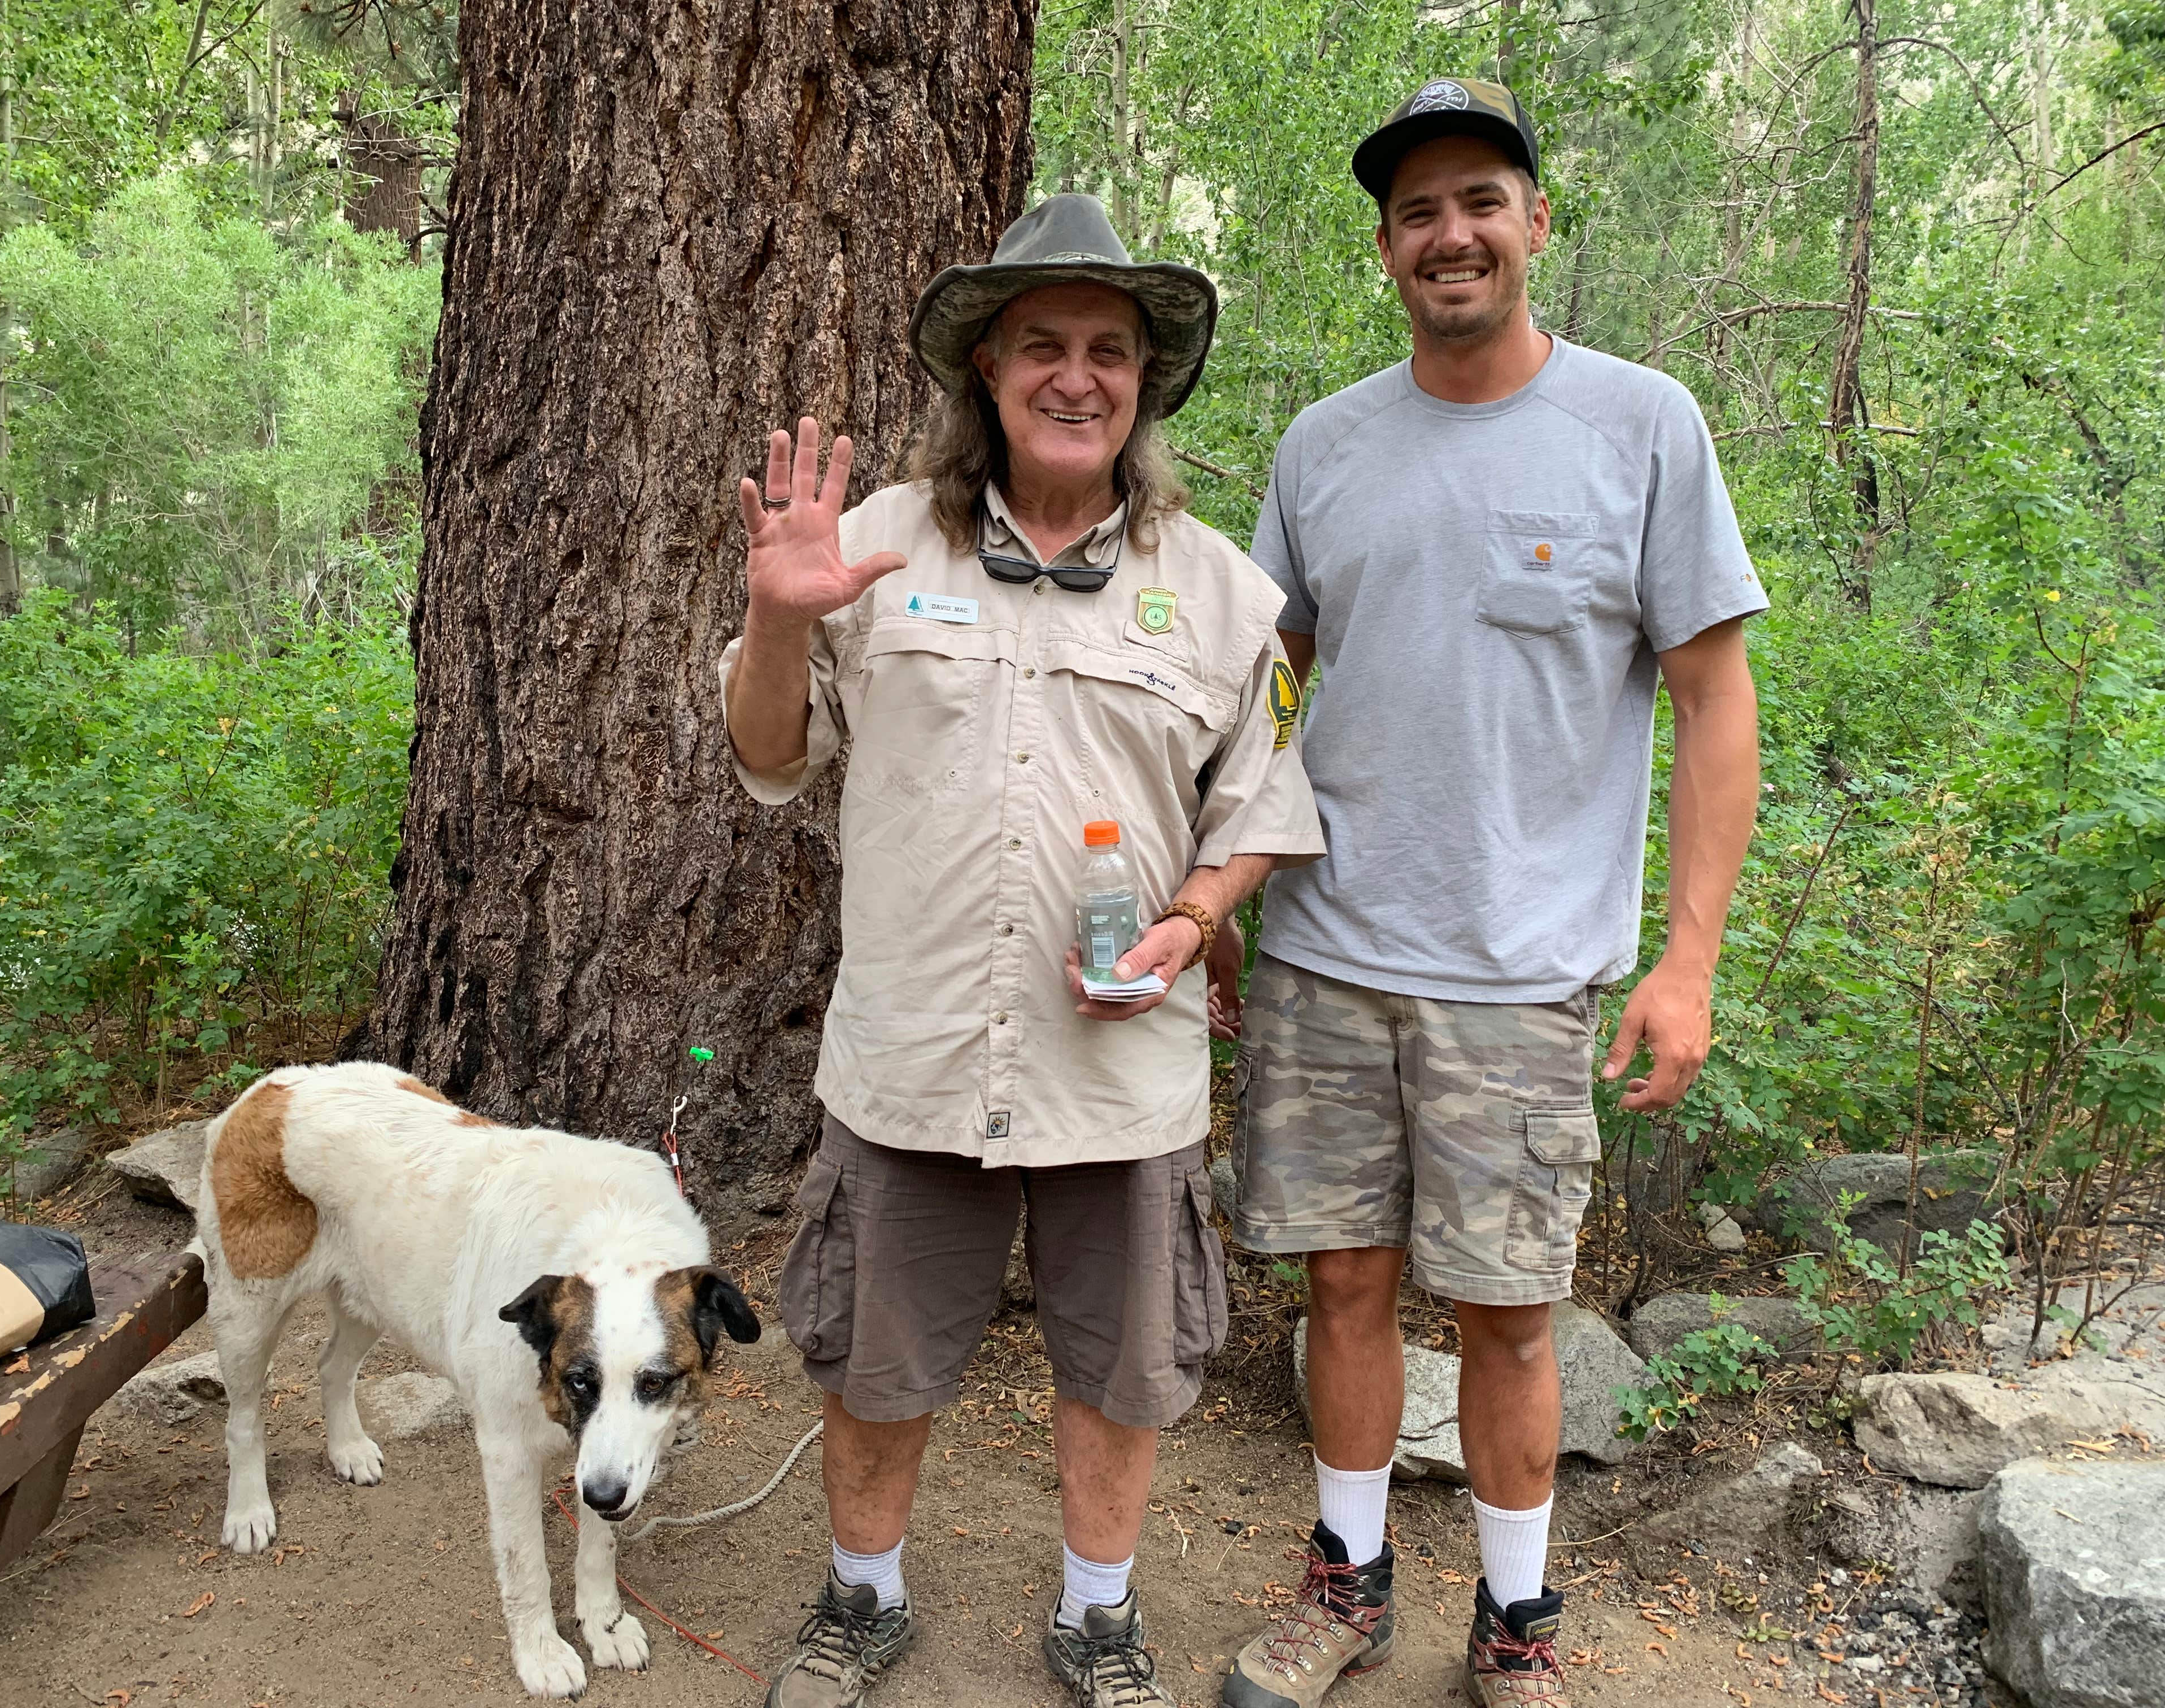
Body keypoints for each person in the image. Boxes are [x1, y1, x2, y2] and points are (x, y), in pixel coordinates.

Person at [720, 193, 1325, 1708]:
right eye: (1041, 344)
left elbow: (1260, 809)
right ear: (986, 371)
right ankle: (862, 1598)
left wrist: (1192, 921)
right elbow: (770, 755)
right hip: (913, 1051)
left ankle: (1098, 1617)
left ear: (1145, 381)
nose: (1076, 375)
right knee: (876, 1353)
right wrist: (776, 622)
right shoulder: (868, 546)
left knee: (1123, 1365)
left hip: (1119, 1067)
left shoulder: (1226, 593)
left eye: (1108, 349)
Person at [1216, 79, 1766, 1708]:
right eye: (1417, 212)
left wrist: (1688, 962)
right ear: (1387, 246)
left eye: (1479, 202)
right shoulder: (1325, 446)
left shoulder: (1641, 427)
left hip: (1523, 974)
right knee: (1342, 1284)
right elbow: (1269, 686)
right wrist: (1220, 888)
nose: (1449, 234)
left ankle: (1518, 1627)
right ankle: (1347, 1587)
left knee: (1512, 1314)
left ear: (1534, 220)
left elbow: (1714, 699)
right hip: (1327, 950)